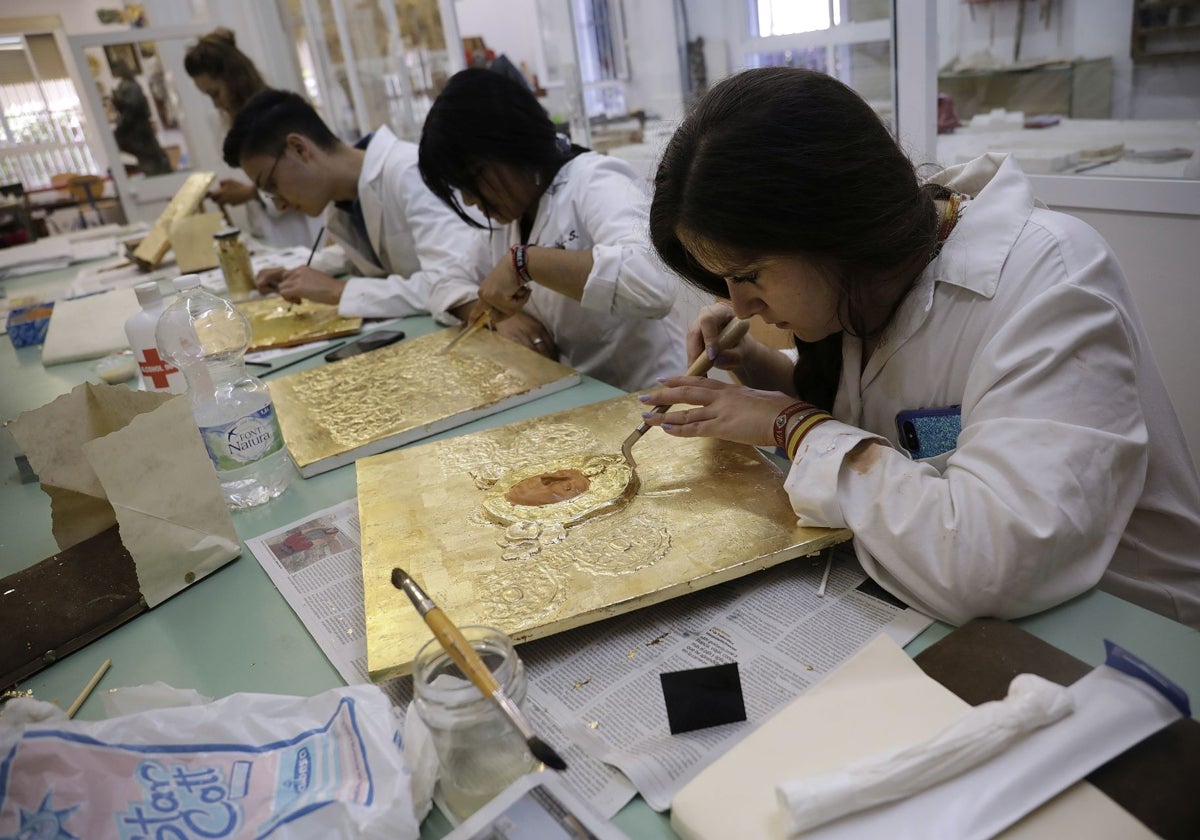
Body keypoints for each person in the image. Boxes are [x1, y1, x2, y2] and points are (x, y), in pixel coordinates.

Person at [641, 67, 1200, 629]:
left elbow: (994, 567)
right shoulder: (875, 279)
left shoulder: (1051, 276)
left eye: (751, 275)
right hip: (949, 602)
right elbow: (887, 407)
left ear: (833, 225)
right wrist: (767, 372)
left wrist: (792, 425)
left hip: (1123, 629)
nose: (738, 308)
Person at [417, 67, 685, 392]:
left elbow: (653, 284)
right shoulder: (509, 216)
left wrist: (526, 263)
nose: (471, 200)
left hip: (652, 393)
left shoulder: (595, 180)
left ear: (510, 144)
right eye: (460, 188)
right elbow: (442, 281)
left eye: (474, 178)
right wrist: (500, 319)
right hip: (582, 395)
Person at [222, 90, 479, 318]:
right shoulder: (341, 200)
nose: (278, 205)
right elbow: (367, 252)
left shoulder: (409, 173)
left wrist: (338, 290)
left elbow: (452, 285)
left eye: (272, 185)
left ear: (299, 149)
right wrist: (299, 274)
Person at [185, 28, 321, 248]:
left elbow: (308, 180)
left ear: (234, 79)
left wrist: (249, 192)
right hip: (273, 236)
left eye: (215, 93)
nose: (216, 104)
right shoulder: (236, 124)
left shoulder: (279, 114)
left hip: (302, 234)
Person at [110, 59, 172, 176]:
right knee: (148, 157)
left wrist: (119, 103)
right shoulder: (125, 85)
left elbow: (134, 106)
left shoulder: (131, 86)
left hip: (139, 129)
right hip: (135, 128)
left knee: (152, 156)